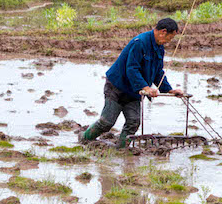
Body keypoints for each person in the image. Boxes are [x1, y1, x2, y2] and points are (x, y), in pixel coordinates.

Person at [79, 18, 185, 148]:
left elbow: (158, 72)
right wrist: (146, 87)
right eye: (170, 37)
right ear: (163, 32)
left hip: (134, 91)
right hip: (117, 87)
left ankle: (121, 149)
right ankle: (84, 139)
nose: (170, 41)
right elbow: (132, 68)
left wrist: (169, 90)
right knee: (107, 122)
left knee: (133, 122)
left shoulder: (159, 48)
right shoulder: (140, 43)